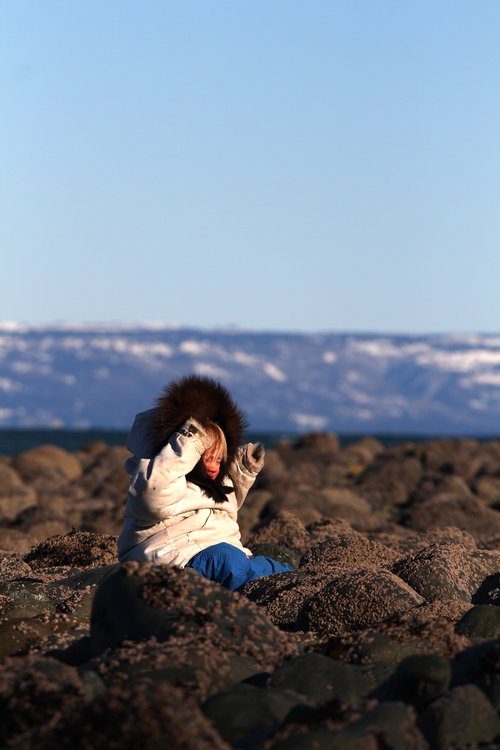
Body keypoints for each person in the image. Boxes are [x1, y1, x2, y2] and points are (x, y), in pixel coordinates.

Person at [117, 374, 293, 591]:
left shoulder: (213, 483)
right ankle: (265, 590)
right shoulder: (160, 481)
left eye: (219, 460)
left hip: (217, 550)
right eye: (207, 458)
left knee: (272, 566)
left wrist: (243, 467)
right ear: (189, 453)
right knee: (229, 563)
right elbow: (153, 495)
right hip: (176, 555)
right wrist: (189, 439)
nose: (214, 467)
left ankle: (292, 582)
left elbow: (229, 498)